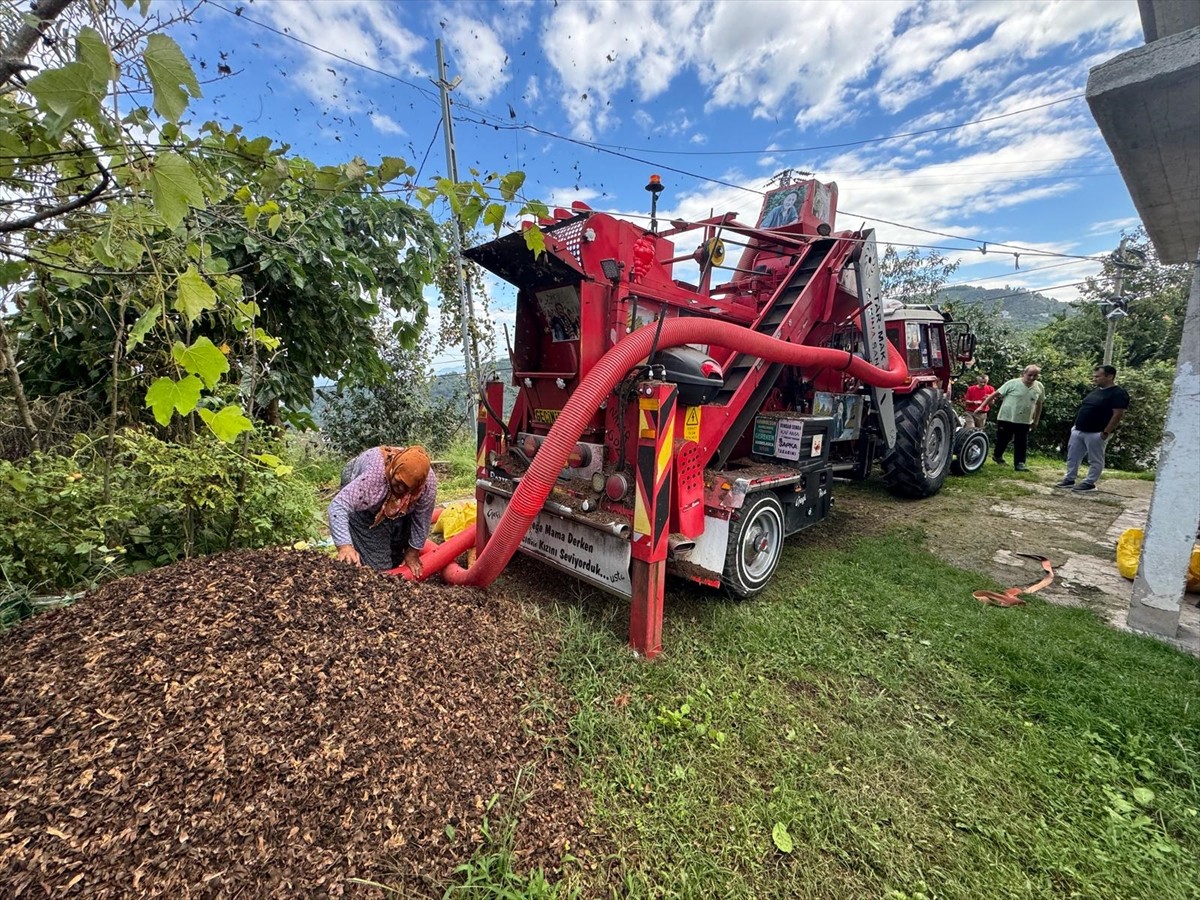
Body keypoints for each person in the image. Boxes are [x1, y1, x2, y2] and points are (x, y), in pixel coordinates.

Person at [328, 445, 438, 575]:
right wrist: (344, 546)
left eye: (406, 486)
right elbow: (338, 506)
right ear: (393, 470)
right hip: (362, 493)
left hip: (397, 504)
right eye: (398, 481)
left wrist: (413, 551)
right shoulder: (372, 479)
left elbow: (422, 518)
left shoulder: (426, 486)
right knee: (377, 565)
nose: (400, 488)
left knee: (397, 553)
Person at [1055, 365, 1130, 493]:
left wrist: (1106, 431)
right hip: (1079, 430)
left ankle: (1090, 482)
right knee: (1073, 456)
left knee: (1095, 459)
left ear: (1110, 376)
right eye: (1094, 376)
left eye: (1097, 376)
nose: (1094, 379)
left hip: (1097, 432)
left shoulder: (1118, 393)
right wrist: (1075, 427)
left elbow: (1117, 414)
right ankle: (1069, 479)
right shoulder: (1096, 391)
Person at [979, 365, 1043, 471]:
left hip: (1024, 419)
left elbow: (1039, 404)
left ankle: (1020, 463)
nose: (1032, 378)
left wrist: (1035, 420)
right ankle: (997, 455)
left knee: (1021, 441)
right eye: (1030, 375)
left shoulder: (1039, 386)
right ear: (1024, 373)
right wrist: (982, 406)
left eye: (1035, 375)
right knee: (1003, 439)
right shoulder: (1012, 383)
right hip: (1007, 417)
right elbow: (994, 395)